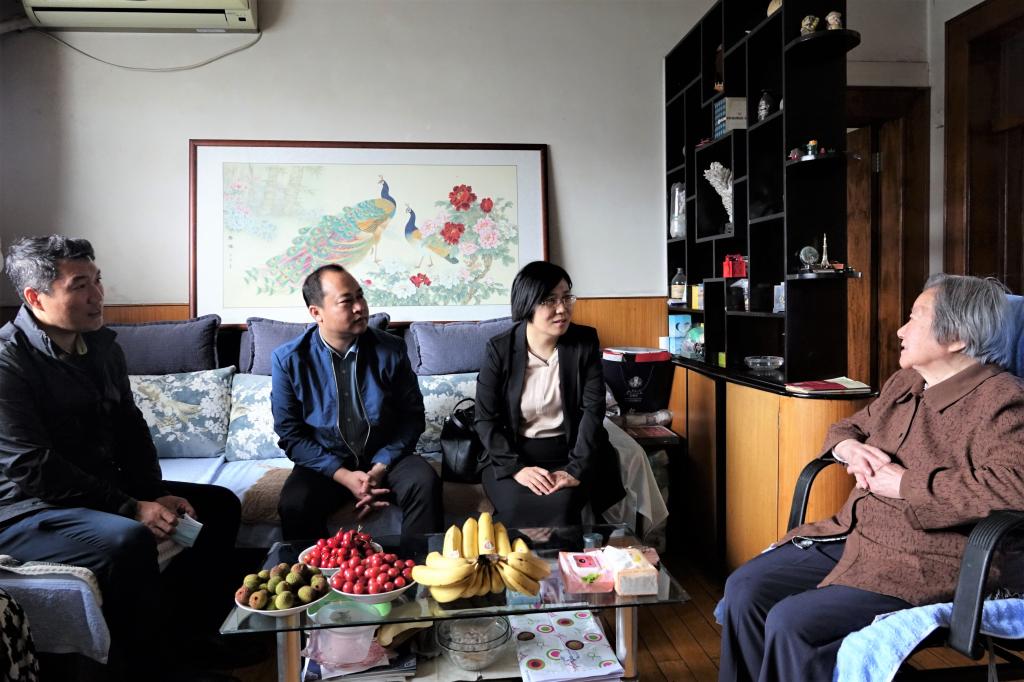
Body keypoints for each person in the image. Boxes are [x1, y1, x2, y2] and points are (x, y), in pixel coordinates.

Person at [717, 274, 1024, 682]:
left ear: (956, 338)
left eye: (915, 317)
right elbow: (849, 427)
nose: (901, 330)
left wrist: (905, 484)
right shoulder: (907, 382)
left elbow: (1013, 487)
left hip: (927, 558)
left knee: (795, 624)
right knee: (745, 590)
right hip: (856, 535)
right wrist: (848, 448)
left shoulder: (1003, 400)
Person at [0, 235, 244, 682]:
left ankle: (197, 638)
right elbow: (32, 467)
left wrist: (153, 492)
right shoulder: (7, 362)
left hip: (95, 490)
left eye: (97, 280)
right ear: (35, 297)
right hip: (27, 508)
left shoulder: (102, 346)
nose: (98, 295)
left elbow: (130, 428)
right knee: (128, 541)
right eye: (79, 286)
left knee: (220, 505)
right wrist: (130, 507)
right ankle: (156, 668)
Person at [272, 263, 442, 541]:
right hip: (325, 463)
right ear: (316, 313)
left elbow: (411, 417)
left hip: (387, 458)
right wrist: (343, 475)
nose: (360, 307)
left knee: (424, 482)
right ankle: (314, 568)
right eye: (346, 301)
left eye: (360, 296)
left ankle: (421, 564)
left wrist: (379, 469)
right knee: (295, 503)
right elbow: (291, 435)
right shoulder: (288, 360)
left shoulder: (391, 349)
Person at [475, 261, 625, 527]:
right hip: (513, 453)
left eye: (566, 297)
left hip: (569, 452)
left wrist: (575, 469)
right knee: (516, 508)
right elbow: (485, 419)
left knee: (562, 506)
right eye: (549, 300)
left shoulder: (584, 342)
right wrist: (516, 469)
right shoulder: (499, 349)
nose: (562, 308)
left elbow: (593, 411)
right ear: (527, 304)